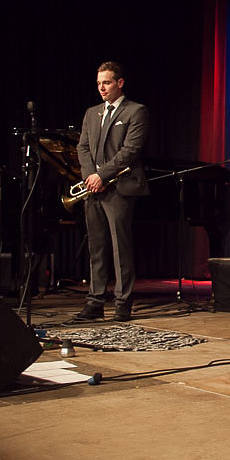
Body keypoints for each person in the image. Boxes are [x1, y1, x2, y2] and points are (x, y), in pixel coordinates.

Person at [75, 61, 150, 321]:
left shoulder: (136, 111)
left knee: (120, 247)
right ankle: (95, 301)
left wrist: (101, 175)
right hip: (94, 188)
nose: (101, 88)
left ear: (120, 83)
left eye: (106, 83)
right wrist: (90, 177)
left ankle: (122, 303)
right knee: (96, 247)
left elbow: (129, 151)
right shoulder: (91, 112)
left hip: (120, 188)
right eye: (98, 84)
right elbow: (82, 148)